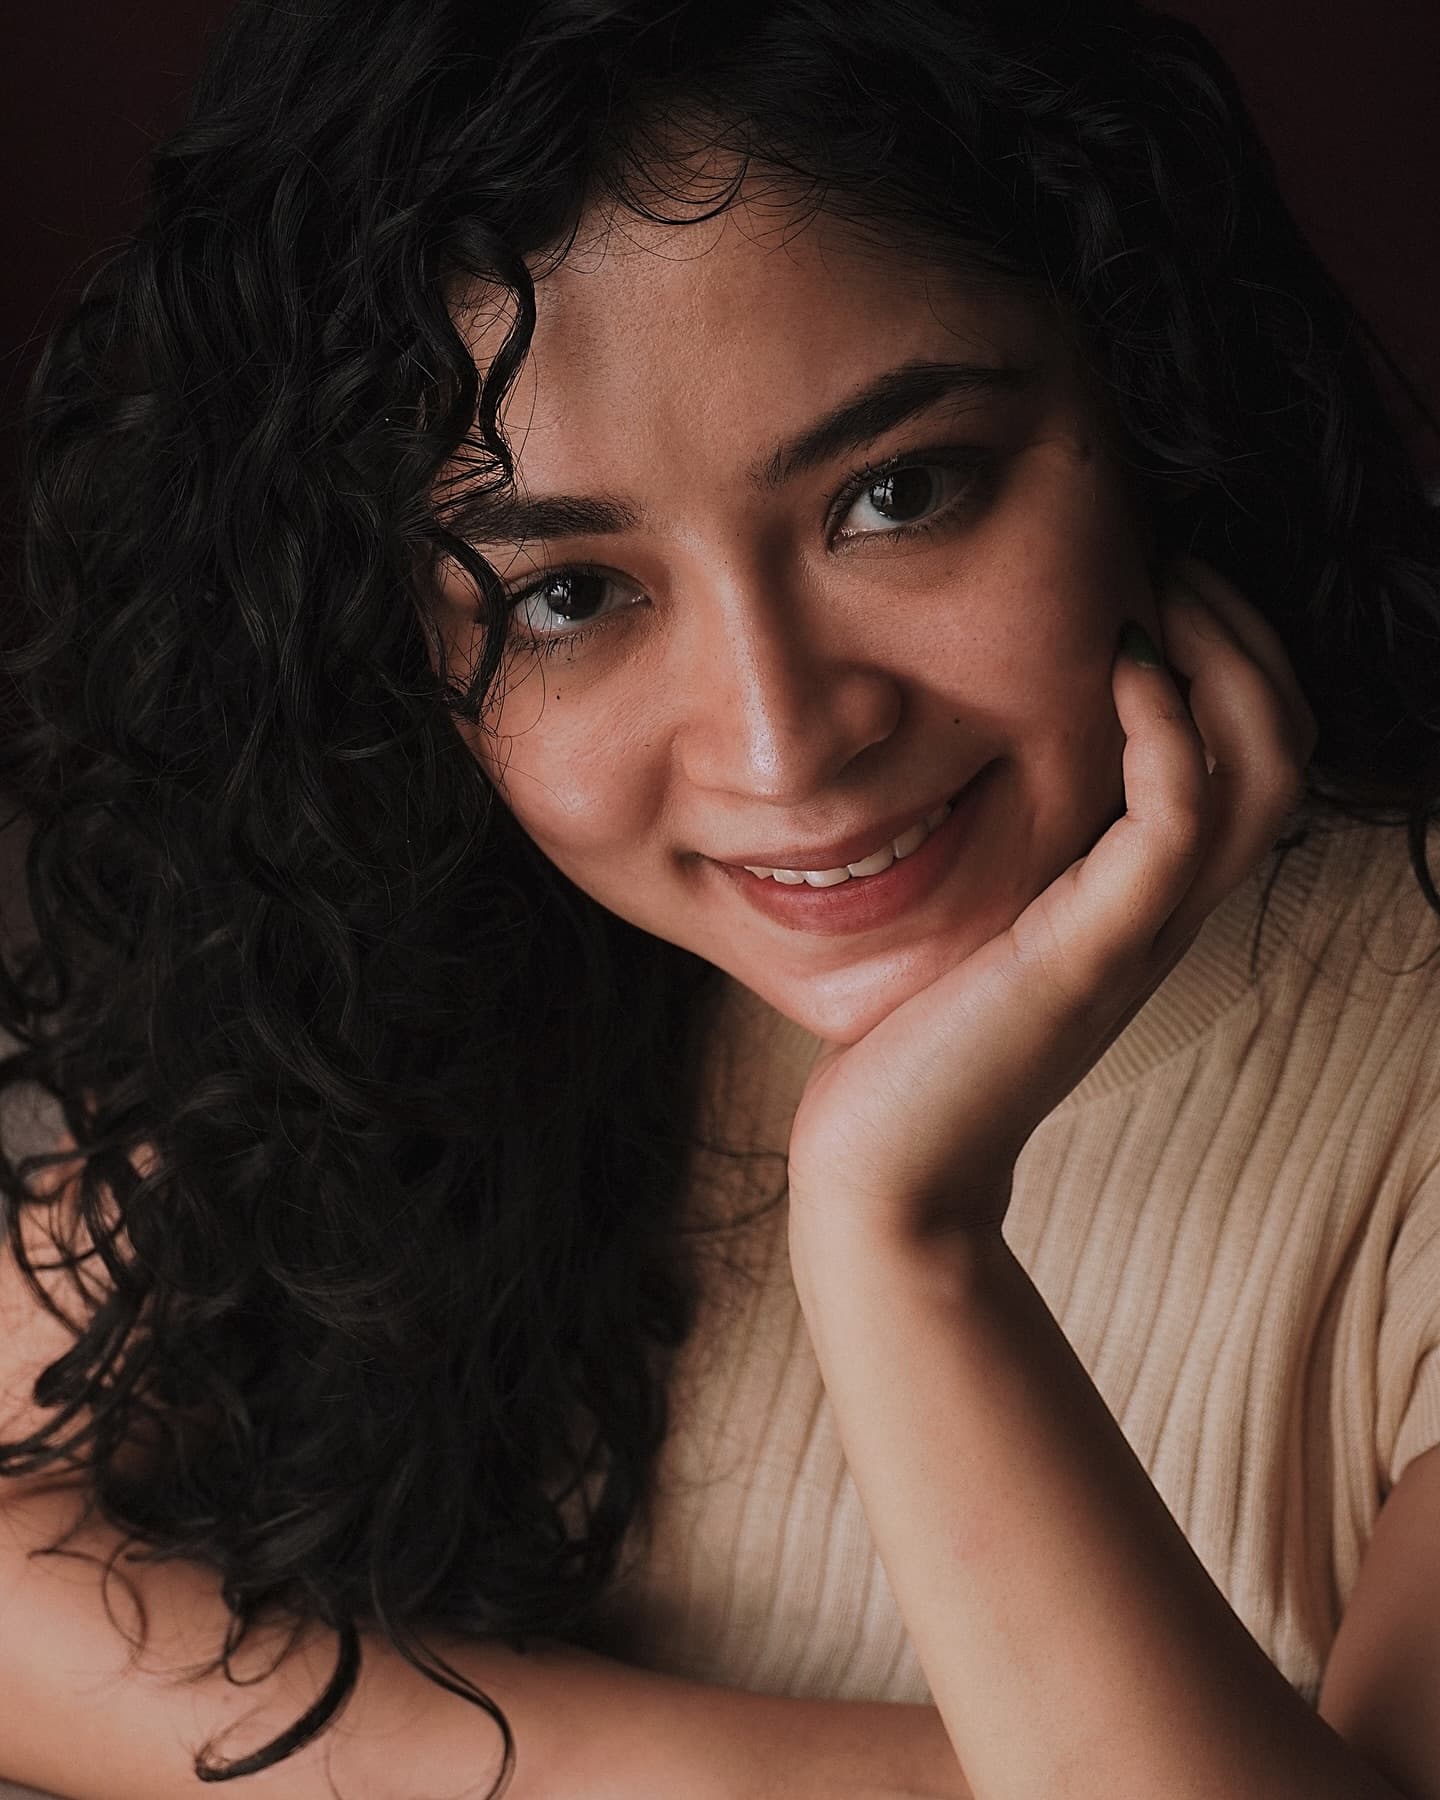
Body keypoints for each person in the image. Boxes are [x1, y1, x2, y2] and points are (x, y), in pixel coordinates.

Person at [1, 0, 1437, 1795]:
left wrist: (898, 1237)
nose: (784, 748)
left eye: (900, 494)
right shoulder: (452, 975)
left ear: (1154, 394)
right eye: (569, 598)